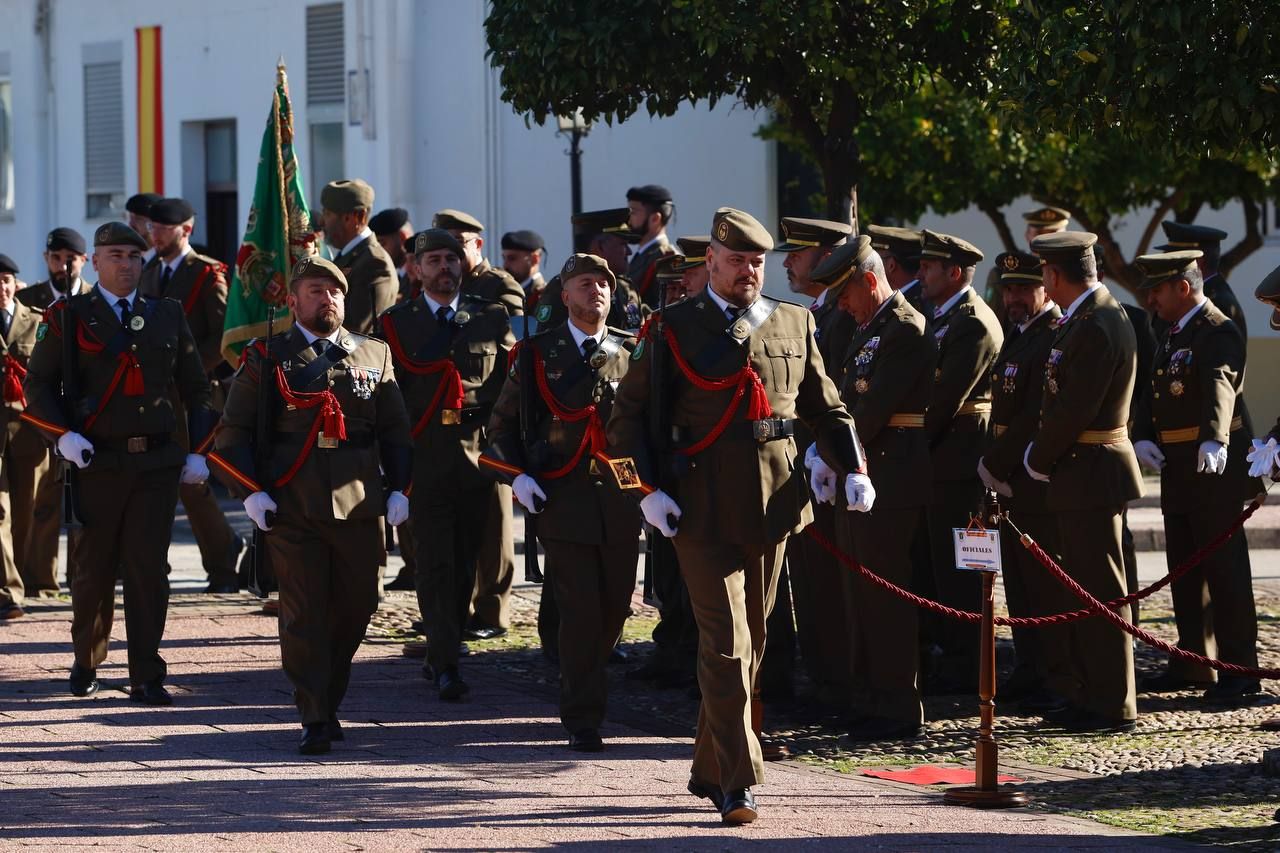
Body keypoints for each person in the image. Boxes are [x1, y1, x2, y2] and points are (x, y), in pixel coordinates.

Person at [606, 207, 873, 825]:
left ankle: (708, 765)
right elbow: (621, 423)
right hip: (697, 506)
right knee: (725, 648)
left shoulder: (792, 321)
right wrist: (643, 490)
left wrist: (853, 465)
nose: (748, 271)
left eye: (757, 261)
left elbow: (827, 408)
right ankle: (738, 781)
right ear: (712, 263)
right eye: (736, 261)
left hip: (774, 503)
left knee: (751, 647)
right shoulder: (670, 326)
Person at [212, 255, 412, 753]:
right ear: (294, 300)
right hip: (292, 501)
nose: (327, 299)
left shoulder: (374, 354)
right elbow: (231, 433)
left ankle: (327, 695)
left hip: (359, 501)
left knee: (359, 604)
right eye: (316, 291)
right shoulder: (266, 357)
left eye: (335, 292)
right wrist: (251, 491)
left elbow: (396, 433)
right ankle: (315, 714)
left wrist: (401, 490)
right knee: (304, 612)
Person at [22, 222, 214, 704]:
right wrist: (62, 436)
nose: (126, 264)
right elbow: (38, 385)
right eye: (115, 255)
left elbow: (197, 388)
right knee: (93, 569)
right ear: (94, 263)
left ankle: (147, 672)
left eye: (133, 255)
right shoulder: (68, 316)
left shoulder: (166, 314)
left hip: (155, 464)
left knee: (150, 570)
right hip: (96, 461)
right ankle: (87, 657)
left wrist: (199, 450)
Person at [483, 253, 641, 751]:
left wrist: (655, 491)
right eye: (584, 283)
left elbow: (650, 429)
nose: (595, 290)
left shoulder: (633, 352)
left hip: (620, 494)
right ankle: (582, 715)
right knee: (579, 608)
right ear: (565, 295)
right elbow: (501, 428)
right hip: (563, 493)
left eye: (603, 284)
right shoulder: (536, 354)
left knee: (615, 606)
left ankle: (588, 685)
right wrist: (519, 477)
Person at [380, 229, 515, 699]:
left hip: (477, 455)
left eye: (451, 259)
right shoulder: (396, 323)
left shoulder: (490, 317)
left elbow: (507, 388)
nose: (444, 268)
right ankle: (446, 662)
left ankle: (445, 649)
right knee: (435, 562)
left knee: (466, 562)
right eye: (433, 259)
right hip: (426, 454)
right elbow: (387, 397)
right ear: (415, 269)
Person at [812, 234, 935, 740]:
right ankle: (869, 697)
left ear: (869, 281)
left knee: (886, 596)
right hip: (857, 472)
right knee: (858, 593)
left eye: (846, 293)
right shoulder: (867, 326)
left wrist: (830, 452)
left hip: (888, 475)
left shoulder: (904, 328)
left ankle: (897, 704)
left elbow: (871, 410)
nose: (841, 305)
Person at [1024, 230, 1143, 733]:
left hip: (1092, 468)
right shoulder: (1086, 319)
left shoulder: (1097, 324)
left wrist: (1038, 455)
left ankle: (1113, 700)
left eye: (1045, 273)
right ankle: (1094, 692)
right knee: (1085, 591)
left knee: (1102, 591)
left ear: (1053, 274)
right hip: (1080, 470)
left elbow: (1076, 407)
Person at [1131, 250, 1261, 703]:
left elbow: (1221, 383)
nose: (1151, 298)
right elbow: (1155, 389)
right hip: (1178, 464)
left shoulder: (1216, 329)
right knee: (1184, 570)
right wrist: (1142, 433)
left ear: (1182, 288)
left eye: (1158, 289)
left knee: (1224, 571)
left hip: (1212, 466)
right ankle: (1192, 663)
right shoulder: (1171, 331)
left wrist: (1214, 438)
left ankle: (1240, 670)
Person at [137, 196, 242, 593]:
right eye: (152, 228)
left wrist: (192, 368)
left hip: (195, 394)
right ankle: (154, 567)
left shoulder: (207, 273)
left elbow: (223, 335)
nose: (155, 235)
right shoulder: (148, 272)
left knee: (192, 484)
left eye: (163, 229)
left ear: (186, 231)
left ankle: (223, 560)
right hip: (153, 394)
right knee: (156, 482)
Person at [976, 251, 1064, 710]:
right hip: (1008, 474)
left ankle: (1053, 674)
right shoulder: (1019, 334)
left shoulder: (1051, 335)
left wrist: (1000, 460)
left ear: (1045, 288)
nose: (1013, 298)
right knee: (1020, 582)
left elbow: (1036, 413)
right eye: (1009, 289)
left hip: (1031, 472)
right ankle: (1030, 668)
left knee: (1043, 580)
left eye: (1023, 289)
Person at [774, 216, 856, 710]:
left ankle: (839, 682)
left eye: (798, 254)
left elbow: (836, 399)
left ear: (826, 259)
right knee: (812, 585)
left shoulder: (840, 318)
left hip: (830, 468)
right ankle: (825, 677)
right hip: (809, 469)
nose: (788, 263)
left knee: (831, 586)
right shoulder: (819, 313)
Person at [918, 229, 1002, 688]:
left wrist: (912, 444)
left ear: (954, 272)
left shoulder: (972, 321)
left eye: (930, 268)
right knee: (941, 567)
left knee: (964, 569)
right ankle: (951, 653)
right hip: (941, 459)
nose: (921, 274)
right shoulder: (943, 316)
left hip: (960, 459)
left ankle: (968, 662)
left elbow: (946, 397)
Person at [0, 254, 40, 619]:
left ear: (16, 285)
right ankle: (9, 592)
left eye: (6, 280)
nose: (0, 288)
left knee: (27, 513)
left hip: (28, 432)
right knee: (0, 512)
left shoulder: (36, 322)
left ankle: (24, 580)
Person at [534, 209, 642, 332]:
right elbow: (546, 342)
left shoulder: (625, 287)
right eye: (623, 244)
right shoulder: (563, 287)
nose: (629, 251)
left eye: (603, 285)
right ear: (600, 247)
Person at [321, 179, 399, 334]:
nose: (323, 222)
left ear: (356, 217)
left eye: (328, 214)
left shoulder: (374, 264)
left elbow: (356, 332)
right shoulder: (350, 256)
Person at [1156, 221, 1247, 340]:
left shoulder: (1216, 305)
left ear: (1197, 262)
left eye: (1174, 260)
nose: (1168, 266)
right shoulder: (1189, 297)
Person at [432, 209, 525, 318]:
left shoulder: (500, 285)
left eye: (458, 242)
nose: (450, 251)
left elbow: (516, 331)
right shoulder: (444, 285)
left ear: (478, 245)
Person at [625, 184, 676, 307]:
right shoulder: (643, 254)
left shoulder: (667, 258)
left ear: (655, 219)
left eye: (633, 213)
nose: (628, 220)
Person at [867, 225, 929, 317]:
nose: (870, 268)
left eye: (875, 262)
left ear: (891, 265)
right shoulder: (912, 298)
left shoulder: (917, 306)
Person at [369, 207, 415, 299]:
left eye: (382, 243)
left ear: (403, 237)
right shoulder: (395, 276)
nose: (376, 252)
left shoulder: (422, 275)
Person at [500, 229, 547, 308]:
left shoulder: (545, 296)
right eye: (504, 258)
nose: (505, 265)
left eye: (512, 258)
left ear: (535, 259)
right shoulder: (503, 292)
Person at [125, 193, 163, 265]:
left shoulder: (167, 260)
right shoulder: (134, 260)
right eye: (130, 218)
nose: (131, 224)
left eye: (138, 219)